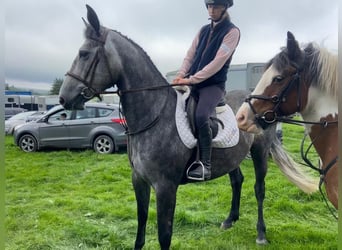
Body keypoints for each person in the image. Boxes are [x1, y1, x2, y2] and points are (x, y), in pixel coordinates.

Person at [173, 0, 240, 180]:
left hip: (213, 86)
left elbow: (217, 63)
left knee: (201, 115)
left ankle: (205, 164)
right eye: (209, 6)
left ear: (225, 8)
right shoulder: (203, 30)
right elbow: (190, 55)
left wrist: (191, 79)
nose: (212, 10)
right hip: (192, 83)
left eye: (216, 6)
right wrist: (181, 75)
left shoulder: (232, 32)